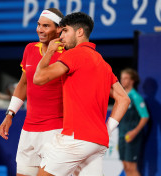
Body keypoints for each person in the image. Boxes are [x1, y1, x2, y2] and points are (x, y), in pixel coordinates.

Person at [33, 12, 131, 176]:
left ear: (79, 32)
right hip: (97, 141)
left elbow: (39, 78)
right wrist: (107, 130)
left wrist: (49, 51)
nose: (61, 36)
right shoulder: (102, 62)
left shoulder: (73, 54)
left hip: (76, 138)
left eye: (65, 31)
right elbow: (123, 99)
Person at [0, 8, 64, 176]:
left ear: (59, 29)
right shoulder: (29, 49)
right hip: (28, 130)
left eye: (46, 26)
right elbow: (22, 84)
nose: (40, 30)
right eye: (38, 25)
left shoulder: (68, 53)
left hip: (55, 130)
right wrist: (10, 114)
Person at [119, 68, 149, 176]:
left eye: (126, 78)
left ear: (132, 81)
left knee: (132, 167)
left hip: (132, 136)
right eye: (122, 78)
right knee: (126, 166)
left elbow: (145, 116)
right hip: (122, 135)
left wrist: (134, 132)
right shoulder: (122, 96)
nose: (123, 81)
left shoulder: (136, 97)